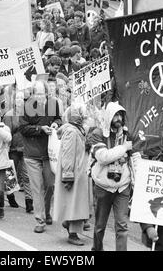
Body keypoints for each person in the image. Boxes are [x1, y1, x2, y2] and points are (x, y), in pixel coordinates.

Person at [87, 102, 135, 251]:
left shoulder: (127, 134)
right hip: (103, 187)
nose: (118, 118)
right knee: (100, 225)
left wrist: (138, 180)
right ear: (108, 116)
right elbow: (103, 157)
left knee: (122, 225)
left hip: (122, 187)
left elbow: (135, 157)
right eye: (115, 115)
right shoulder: (97, 134)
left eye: (121, 115)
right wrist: (124, 148)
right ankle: (97, 249)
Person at [20, 81, 63, 233]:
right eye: (36, 93)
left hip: (49, 153)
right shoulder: (27, 107)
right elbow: (23, 128)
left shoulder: (53, 103)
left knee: (50, 184)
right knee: (37, 187)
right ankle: (40, 219)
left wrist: (56, 125)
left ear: (46, 93)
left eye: (41, 93)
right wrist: (40, 129)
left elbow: (59, 119)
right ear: (32, 94)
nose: (39, 97)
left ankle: (46, 210)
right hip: (32, 154)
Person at [53, 104, 90, 246]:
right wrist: (68, 175)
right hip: (74, 172)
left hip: (78, 171)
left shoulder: (76, 130)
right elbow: (68, 154)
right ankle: (72, 233)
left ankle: (70, 223)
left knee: (75, 202)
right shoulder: (72, 132)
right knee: (74, 203)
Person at [3, 88, 33, 212]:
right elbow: (6, 133)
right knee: (11, 175)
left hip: (26, 148)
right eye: (18, 98)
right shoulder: (9, 115)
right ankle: (10, 196)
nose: (20, 101)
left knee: (27, 176)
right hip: (13, 149)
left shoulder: (29, 113)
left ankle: (29, 201)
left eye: (23, 98)